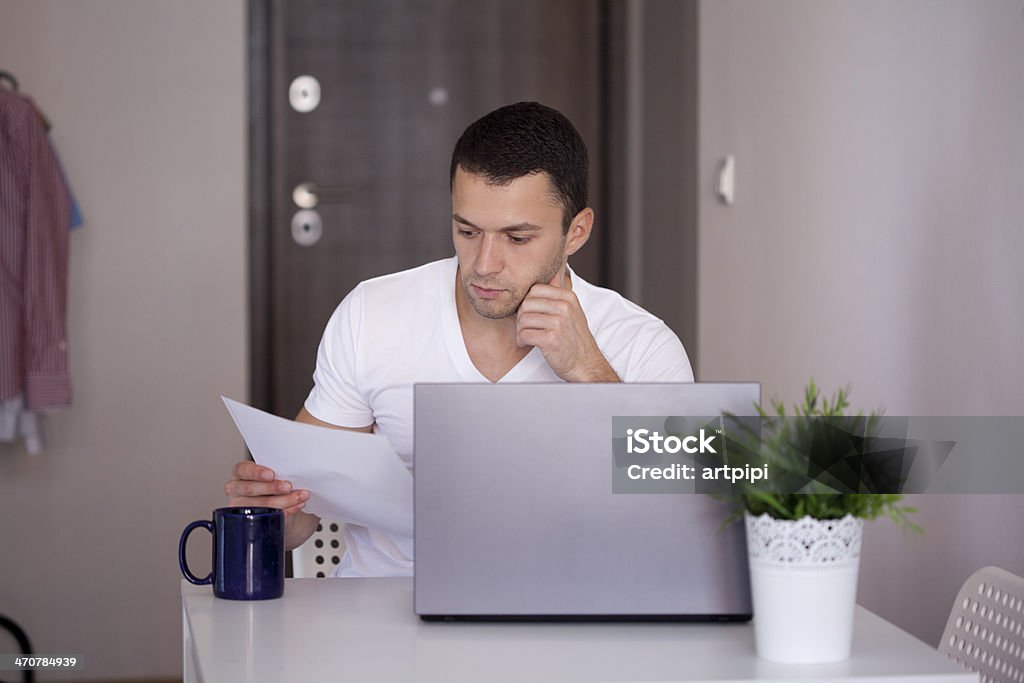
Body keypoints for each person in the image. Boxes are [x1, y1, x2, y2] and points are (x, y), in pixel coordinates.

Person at [225, 101, 694, 576]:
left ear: (576, 232)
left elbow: (682, 532)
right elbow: (301, 518)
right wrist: (272, 511)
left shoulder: (644, 345)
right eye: (467, 230)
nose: (485, 264)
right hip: (382, 621)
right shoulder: (373, 313)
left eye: (518, 238)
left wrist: (587, 371)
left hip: (561, 618)